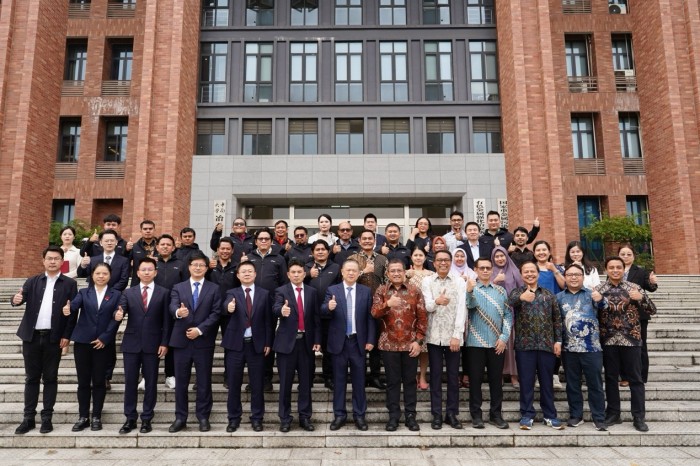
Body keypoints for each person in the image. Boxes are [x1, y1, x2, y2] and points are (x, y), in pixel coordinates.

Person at [12, 246, 78, 434]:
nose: (52, 261)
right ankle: (28, 418)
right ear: (43, 260)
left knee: (50, 378)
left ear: (62, 261)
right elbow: (19, 298)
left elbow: (73, 312)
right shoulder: (32, 281)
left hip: (53, 338)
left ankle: (46, 418)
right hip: (31, 337)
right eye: (49, 258)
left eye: (56, 258)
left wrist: (67, 335)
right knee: (31, 378)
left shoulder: (69, 284)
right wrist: (15, 299)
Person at [114, 257, 171, 434]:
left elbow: (167, 321)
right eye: (143, 269)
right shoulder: (128, 293)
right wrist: (118, 314)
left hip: (153, 344)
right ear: (137, 273)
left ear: (155, 272)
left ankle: (147, 418)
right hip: (131, 344)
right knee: (130, 382)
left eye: (150, 269)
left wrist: (164, 342)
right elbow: (121, 309)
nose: (146, 272)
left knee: (151, 382)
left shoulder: (164, 293)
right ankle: (130, 418)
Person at [371, 259, 428, 432]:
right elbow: (374, 313)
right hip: (388, 345)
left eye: (399, 270)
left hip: (410, 345)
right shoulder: (381, 290)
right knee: (392, 382)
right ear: (387, 274)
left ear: (404, 272)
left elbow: (423, 318)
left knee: (410, 382)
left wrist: (418, 341)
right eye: (392, 271)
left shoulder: (414, 290)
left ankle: (410, 416)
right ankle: (393, 416)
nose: (396, 273)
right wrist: (387, 304)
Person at [168, 252, 222, 433]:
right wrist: (178, 312)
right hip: (181, 341)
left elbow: (216, 313)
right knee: (181, 382)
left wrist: (199, 330)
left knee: (204, 381)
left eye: (201, 265)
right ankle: (180, 417)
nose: (198, 268)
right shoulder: (178, 287)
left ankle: (203, 416)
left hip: (203, 341)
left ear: (207, 268)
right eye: (194, 265)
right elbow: (172, 305)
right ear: (189, 267)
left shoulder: (214, 288)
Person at [64, 262, 121, 432]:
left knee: (99, 381)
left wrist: (104, 338)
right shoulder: (83, 292)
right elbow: (74, 305)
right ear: (92, 275)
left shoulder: (116, 294)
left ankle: (96, 416)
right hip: (83, 343)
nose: (101, 276)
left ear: (110, 276)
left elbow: (115, 319)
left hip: (103, 344)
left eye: (104, 273)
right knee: (83, 382)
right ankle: (83, 417)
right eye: (98, 273)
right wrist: (68, 308)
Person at [321, 259, 376, 431]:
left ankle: (359, 415)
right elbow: (322, 311)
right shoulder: (332, 290)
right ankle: (339, 415)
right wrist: (328, 307)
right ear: (342, 272)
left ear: (359, 273)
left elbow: (370, 318)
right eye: (348, 270)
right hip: (339, 343)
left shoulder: (366, 291)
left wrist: (370, 340)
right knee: (339, 381)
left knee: (359, 381)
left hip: (358, 342)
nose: (351, 273)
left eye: (354, 270)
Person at [508, 261, 564, 430]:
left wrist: (558, 341)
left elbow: (557, 320)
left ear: (538, 274)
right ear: (521, 274)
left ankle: (550, 415)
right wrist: (521, 298)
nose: (530, 274)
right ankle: (527, 414)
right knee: (526, 382)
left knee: (547, 382)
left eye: (533, 271)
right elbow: (509, 302)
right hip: (525, 346)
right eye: (526, 271)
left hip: (547, 345)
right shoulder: (517, 292)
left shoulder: (548, 294)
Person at [597, 256, 649, 432]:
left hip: (631, 339)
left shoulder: (634, 288)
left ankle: (638, 416)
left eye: (618, 267)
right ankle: (613, 413)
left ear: (623, 269)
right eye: (611, 267)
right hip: (608, 339)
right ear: (606, 270)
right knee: (611, 378)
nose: (615, 270)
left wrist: (642, 298)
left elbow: (652, 310)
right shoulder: (599, 289)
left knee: (636, 379)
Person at [221, 261, 272, 433]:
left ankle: (257, 418)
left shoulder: (264, 294)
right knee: (234, 384)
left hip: (256, 345)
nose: (247, 274)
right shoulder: (232, 293)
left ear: (255, 274)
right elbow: (224, 307)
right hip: (236, 345)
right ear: (238, 275)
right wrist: (228, 308)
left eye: (250, 271)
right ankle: (233, 418)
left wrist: (268, 342)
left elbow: (269, 320)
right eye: (243, 271)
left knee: (257, 384)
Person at [556, 263, 607, 431]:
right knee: (572, 384)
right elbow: (556, 323)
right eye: (569, 274)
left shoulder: (591, 294)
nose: (573, 277)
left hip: (591, 348)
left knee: (595, 384)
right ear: (565, 277)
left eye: (577, 274)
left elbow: (604, 306)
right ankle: (576, 415)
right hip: (569, 349)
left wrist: (601, 299)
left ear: (582, 277)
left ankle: (599, 417)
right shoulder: (559, 297)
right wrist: (558, 341)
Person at [77, 229, 129, 391]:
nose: (109, 242)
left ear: (116, 242)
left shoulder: (123, 260)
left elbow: (123, 280)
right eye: (106, 240)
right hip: (92, 303)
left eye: (112, 240)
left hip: (113, 302)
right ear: (100, 243)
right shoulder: (93, 259)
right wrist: (83, 264)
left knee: (109, 339)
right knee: (92, 337)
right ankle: (92, 375)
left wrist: (110, 294)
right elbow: (81, 274)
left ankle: (106, 376)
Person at [273, 259, 321, 432]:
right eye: (293, 272)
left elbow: (316, 318)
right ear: (288, 274)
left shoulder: (312, 292)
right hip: (286, 345)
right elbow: (276, 307)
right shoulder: (281, 291)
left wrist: (317, 340)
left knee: (306, 383)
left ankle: (305, 417)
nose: (296, 275)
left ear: (304, 274)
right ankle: (285, 419)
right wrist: (281, 311)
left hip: (306, 343)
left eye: (299, 272)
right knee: (285, 384)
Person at [421, 250, 467, 431]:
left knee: (453, 377)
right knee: (435, 376)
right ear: (434, 263)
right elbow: (426, 306)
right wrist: (437, 301)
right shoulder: (427, 281)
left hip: (453, 337)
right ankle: (436, 415)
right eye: (439, 260)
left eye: (446, 260)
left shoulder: (459, 282)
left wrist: (457, 335)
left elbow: (462, 309)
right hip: (433, 336)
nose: (443, 263)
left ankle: (451, 414)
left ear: (451, 262)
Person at [465, 257, 512, 430]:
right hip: (475, 343)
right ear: (475, 270)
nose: (485, 271)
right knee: (475, 381)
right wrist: (469, 291)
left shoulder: (500, 291)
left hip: (496, 344)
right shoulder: (470, 288)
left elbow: (508, 315)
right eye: (481, 268)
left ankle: (496, 415)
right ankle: (476, 415)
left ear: (492, 270)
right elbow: (469, 306)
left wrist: (504, 337)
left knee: (496, 381)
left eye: (488, 268)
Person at [246, 227, 289, 391]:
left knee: (268, 342)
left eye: (266, 239)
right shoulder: (248, 258)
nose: (263, 241)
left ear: (271, 241)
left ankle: (266, 378)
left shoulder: (279, 259)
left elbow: (284, 283)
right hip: (251, 306)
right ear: (256, 241)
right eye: (260, 239)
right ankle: (253, 379)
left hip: (271, 306)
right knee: (252, 342)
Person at [348, 229, 387, 390]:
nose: (367, 241)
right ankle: (361, 376)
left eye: (370, 238)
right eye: (364, 238)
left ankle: (375, 376)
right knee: (360, 343)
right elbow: (347, 280)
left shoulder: (383, 259)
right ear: (359, 241)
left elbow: (387, 282)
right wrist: (364, 272)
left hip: (377, 306)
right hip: (358, 306)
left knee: (375, 344)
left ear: (374, 240)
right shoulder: (353, 259)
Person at [305, 240, 341, 390]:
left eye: (323, 249)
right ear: (312, 253)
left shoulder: (336, 267)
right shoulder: (306, 267)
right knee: (308, 349)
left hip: (329, 315)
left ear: (328, 251)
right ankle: (308, 378)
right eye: (317, 249)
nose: (320, 252)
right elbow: (294, 282)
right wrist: (308, 274)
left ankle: (329, 377)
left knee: (328, 349)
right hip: (309, 315)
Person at [618, 244, 658, 384]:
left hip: (638, 315)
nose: (626, 257)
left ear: (634, 256)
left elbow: (650, 288)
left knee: (640, 346)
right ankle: (625, 376)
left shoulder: (640, 271)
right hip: (620, 315)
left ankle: (641, 376)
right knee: (622, 346)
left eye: (629, 254)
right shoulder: (615, 270)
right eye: (623, 254)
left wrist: (652, 282)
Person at [154, 234, 189, 390]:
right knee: (152, 341)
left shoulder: (181, 264)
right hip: (154, 308)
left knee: (172, 343)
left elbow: (186, 285)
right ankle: (147, 376)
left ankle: (170, 375)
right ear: (157, 247)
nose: (165, 247)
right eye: (162, 244)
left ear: (174, 247)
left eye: (168, 244)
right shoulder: (151, 263)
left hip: (174, 309)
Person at [206, 237, 240, 388]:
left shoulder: (237, 267)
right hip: (210, 312)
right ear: (217, 250)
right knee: (206, 347)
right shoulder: (210, 266)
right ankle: (203, 379)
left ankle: (229, 378)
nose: (225, 251)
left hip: (230, 313)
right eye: (222, 248)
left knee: (230, 347)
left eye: (228, 249)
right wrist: (207, 268)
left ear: (232, 251)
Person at [533, 240, 565, 389]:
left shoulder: (556, 268)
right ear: (534, 253)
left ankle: (554, 375)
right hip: (535, 311)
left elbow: (564, 285)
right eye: (538, 250)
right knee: (538, 344)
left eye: (544, 249)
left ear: (549, 251)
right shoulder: (531, 268)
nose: (541, 252)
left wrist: (554, 270)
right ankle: (539, 376)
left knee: (555, 342)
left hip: (554, 310)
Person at [491, 246, 524, 389]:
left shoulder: (514, 271)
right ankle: (498, 374)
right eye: (497, 256)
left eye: (502, 255)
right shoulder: (490, 271)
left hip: (511, 313)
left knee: (511, 345)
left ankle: (513, 375)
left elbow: (521, 290)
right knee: (497, 345)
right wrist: (495, 281)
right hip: (493, 315)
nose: (500, 258)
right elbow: (484, 290)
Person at [405, 246, 435, 390]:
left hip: (427, 313)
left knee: (424, 348)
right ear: (411, 257)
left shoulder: (431, 274)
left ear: (425, 257)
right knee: (411, 345)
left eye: (420, 255)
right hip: (409, 314)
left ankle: (422, 375)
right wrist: (406, 277)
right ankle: (411, 376)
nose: (418, 257)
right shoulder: (406, 273)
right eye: (415, 255)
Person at [129, 220, 158, 287]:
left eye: (150, 229)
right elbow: (126, 264)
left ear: (154, 230)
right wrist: (126, 250)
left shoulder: (162, 246)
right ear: (141, 231)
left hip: (157, 283)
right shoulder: (134, 247)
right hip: (138, 283)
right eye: (145, 229)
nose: (148, 231)